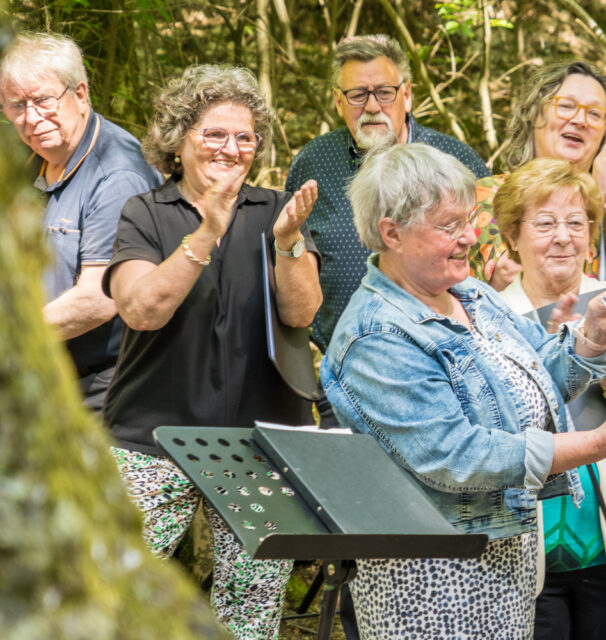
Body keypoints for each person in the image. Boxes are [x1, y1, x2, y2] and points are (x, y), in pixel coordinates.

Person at [319, 143, 606, 639]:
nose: (470, 237)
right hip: (428, 580)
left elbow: (545, 372)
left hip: (504, 560)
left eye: (470, 220)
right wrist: (604, 442)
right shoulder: (376, 335)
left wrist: (595, 335)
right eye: (449, 226)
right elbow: (458, 456)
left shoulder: (471, 294)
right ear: (392, 232)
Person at [103, 65, 322, 640]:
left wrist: (289, 242)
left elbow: (302, 314)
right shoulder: (145, 213)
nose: (231, 148)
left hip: (261, 442)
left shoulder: (279, 210)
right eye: (215, 134)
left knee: (250, 610)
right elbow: (141, 309)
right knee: (123, 597)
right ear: (179, 139)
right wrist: (206, 232)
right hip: (152, 439)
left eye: (244, 137)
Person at [490, 158, 606, 640]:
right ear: (513, 235)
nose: (563, 236)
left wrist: (600, 347)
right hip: (524, 545)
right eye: (545, 223)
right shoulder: (486, 317)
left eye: (576, 223)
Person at [285, 34, 490, 355]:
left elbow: (492, 259)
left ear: (406, 94)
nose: (371, 106)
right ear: (338, 101)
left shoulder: (456, 160)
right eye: (357, 95)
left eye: (384, 92)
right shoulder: (314, 163)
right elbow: (295, 262)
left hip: (448, 361)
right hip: (343, 363)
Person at [0, 31, 161, 410]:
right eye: (16, 105)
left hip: (100, 389)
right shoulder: (33, 158)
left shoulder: (117, 174)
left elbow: (99, 298)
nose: (31, 117)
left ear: (81, 94)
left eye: (43, 100)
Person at [471, 60, 606, 299]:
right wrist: (594, 197)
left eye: (595, 114)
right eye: (566, 106)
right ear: (534, 114)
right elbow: (518, 276)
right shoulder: (489, 194)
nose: (580, 120)